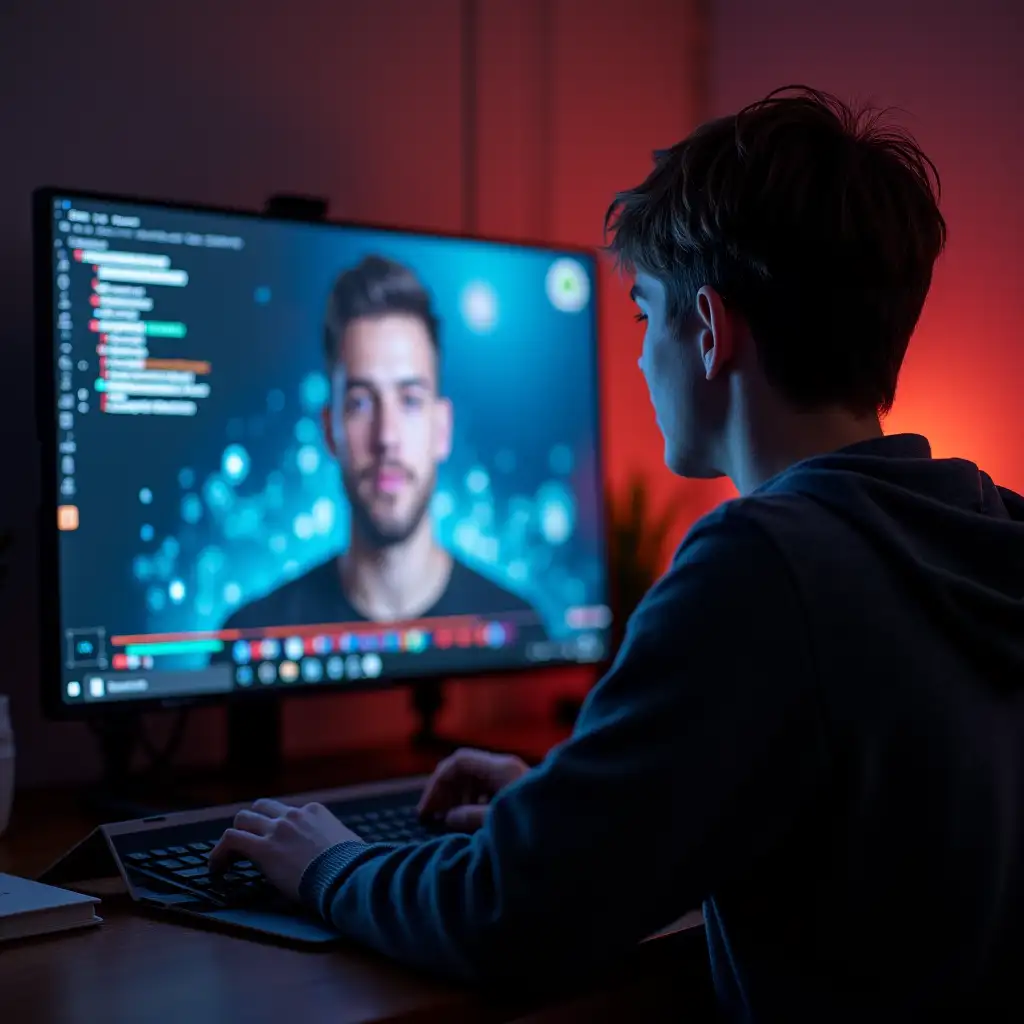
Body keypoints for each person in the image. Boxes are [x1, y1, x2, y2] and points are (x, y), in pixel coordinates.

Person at [210, 86, 1024, 1019]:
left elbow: (508, 917)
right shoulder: (990, 524)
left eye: (643, 314)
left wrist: (331, 864)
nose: (639, 358)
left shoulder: (763, 564)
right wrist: (585, 808)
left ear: (711, 331)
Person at [222, 255, 541, 629]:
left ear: (442, 429)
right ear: (329, 430)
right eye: (360, 402)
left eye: (409, 400)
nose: (386, 437)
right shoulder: (255, 637)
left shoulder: (520, 628)